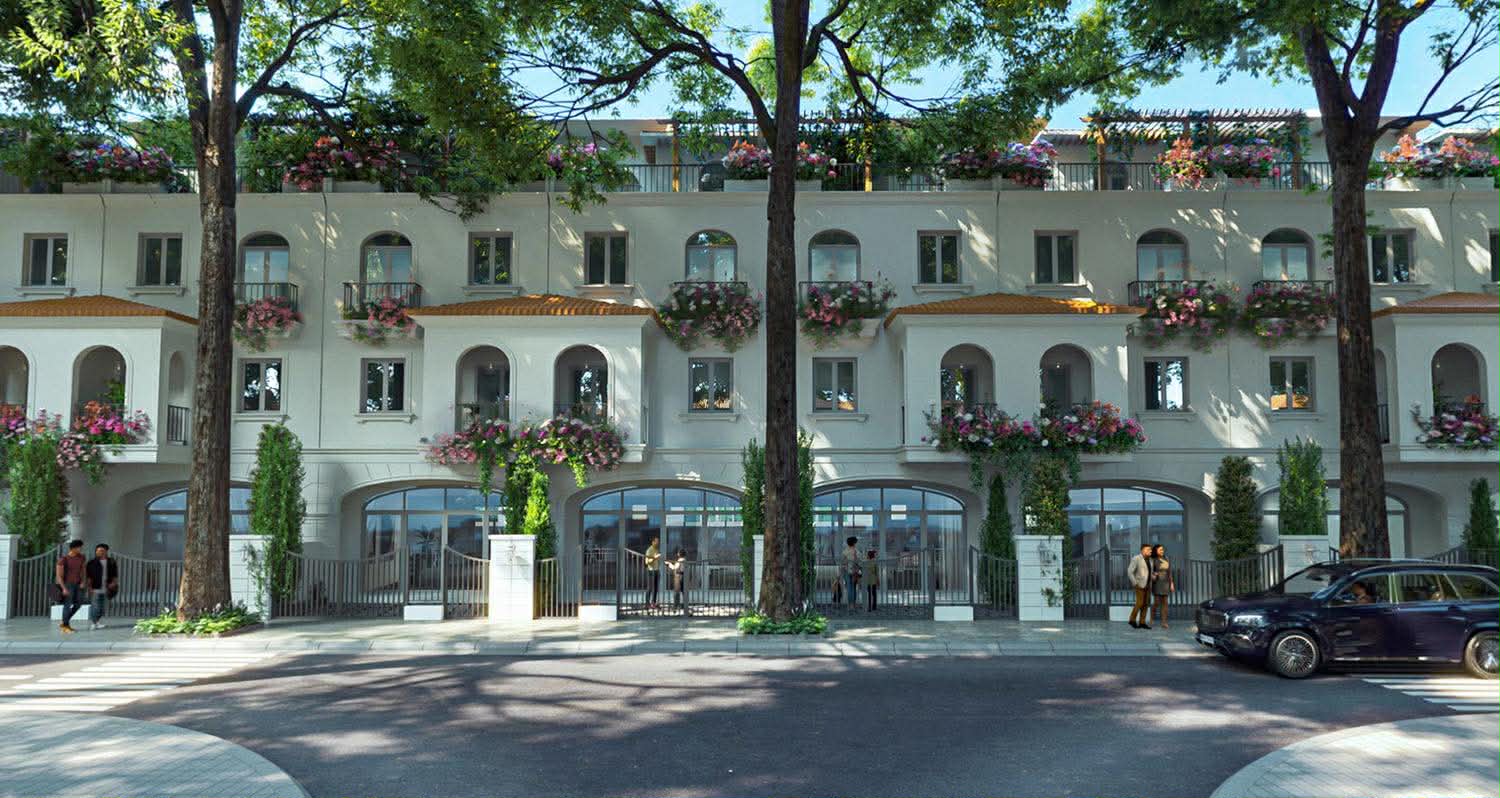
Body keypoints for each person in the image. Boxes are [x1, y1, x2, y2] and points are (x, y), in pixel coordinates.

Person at [54, 539, 87, 634]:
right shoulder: (63, 559)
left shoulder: (81, 557)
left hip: (78, 584)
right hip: (67, 585)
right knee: (67, 605)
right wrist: (64, 588)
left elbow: (83, 570)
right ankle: (65, 626)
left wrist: (83, 581)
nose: (81, 549)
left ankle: (64, 621)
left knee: (79, 603)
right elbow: (59, 576)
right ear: (73, 548)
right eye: (79, 547)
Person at [85, 543, 119, 631]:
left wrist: (114, 583)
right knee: (95, 605)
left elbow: (115, 574)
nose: (99, 552)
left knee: (103, 607)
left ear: (106, 551)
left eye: (101, 550)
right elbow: (89, 577)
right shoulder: (91, 563)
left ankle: (97, 622)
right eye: (97, 551)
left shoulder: (111, 561)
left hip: (107, 587)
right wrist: (89, 587)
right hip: (96, 587)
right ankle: (93, 623)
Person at [1127, 543, 1153, 629]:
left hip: (1148, 585)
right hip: (1139, 584)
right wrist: (1135, 583)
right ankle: (1132, 620)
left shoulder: (1150, 560)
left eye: (1150, 549)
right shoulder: (1136, 558)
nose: (1150, 551)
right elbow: (1130, 571)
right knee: (1140, 603)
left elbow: (1149, 572)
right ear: (1142, 550)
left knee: (1146, 604)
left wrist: (1153, 576)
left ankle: (1142, 622)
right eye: (1148, 549)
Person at [1150, 544, 1175, 629]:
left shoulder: (1166, 558)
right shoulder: (1153, 560)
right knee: (1156, 602)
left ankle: (1164, 622)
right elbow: (1150, 571)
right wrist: (1153, 574)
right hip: (1157, 582)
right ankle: (1152, 618)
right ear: (1156, 551)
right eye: (1160, 550)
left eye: (1162, 550)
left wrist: (1171, 583)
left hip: (1166, 583)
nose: (1162, 551)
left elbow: (1169, 572)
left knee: (1165, 603)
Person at [839, 536, 862, 609]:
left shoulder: (845, 551)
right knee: (854, 588)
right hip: (854, 572)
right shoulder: (857, 552)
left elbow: (842, 563)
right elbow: (860, 562)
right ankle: (853, 604)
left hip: (846, 571)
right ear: (854, 543)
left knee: (849, 588)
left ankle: (849, 604)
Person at [666, 548, 688, 613]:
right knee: (684, 592)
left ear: (679, 554)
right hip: (684, 576)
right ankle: (685, 607)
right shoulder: (685, 560)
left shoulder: (680, 560)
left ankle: (675, 607)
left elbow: (675, 568)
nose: (677, 553)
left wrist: (669, 564)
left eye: (678, 553)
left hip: (678, 577)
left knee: (676, 592)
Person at [644, 537, 661, 609]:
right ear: (653, 542)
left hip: (656, 570)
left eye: (658, 541)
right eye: (656, 541)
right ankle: (647, 604)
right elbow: (647, 562)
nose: (658, 543)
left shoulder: (656, 549)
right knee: (650, 588)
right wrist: (655, 557)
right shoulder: (649, 550)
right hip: (651, 571)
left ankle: (653, 603)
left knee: (656, 588)